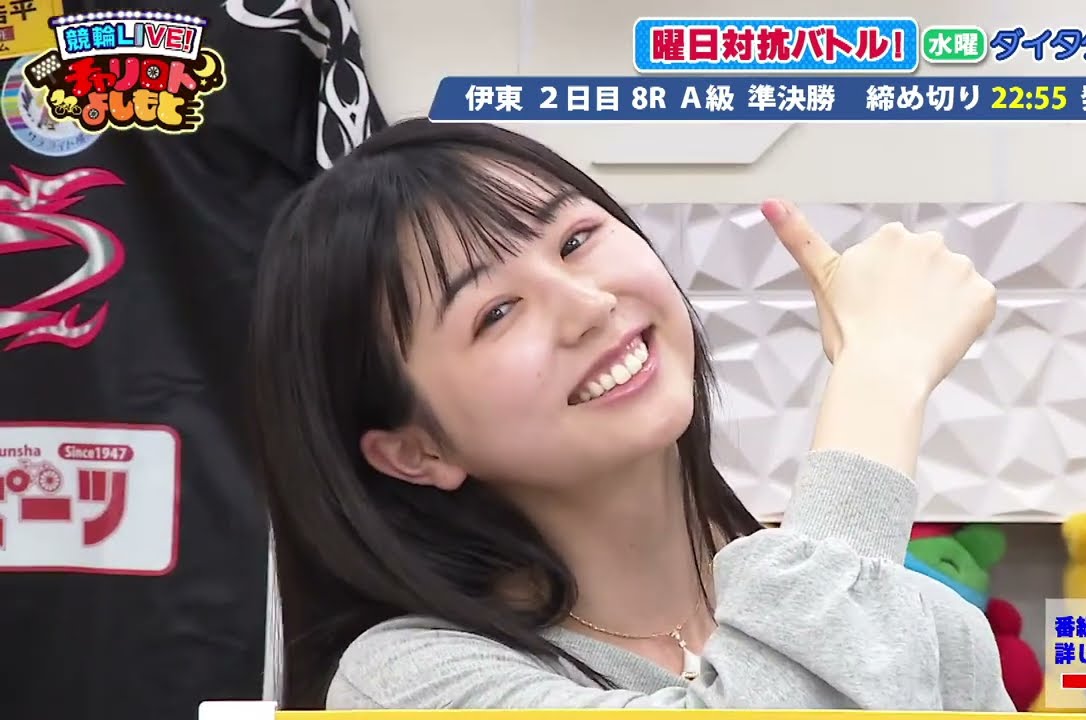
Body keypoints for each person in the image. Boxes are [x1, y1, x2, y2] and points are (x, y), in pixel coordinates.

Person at [246, 120, 1012, 711]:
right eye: (497, 312)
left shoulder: (926, 626)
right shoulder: (406, 683)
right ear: (416, 451)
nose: (587, 304)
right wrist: (878, 378)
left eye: (576, 240)